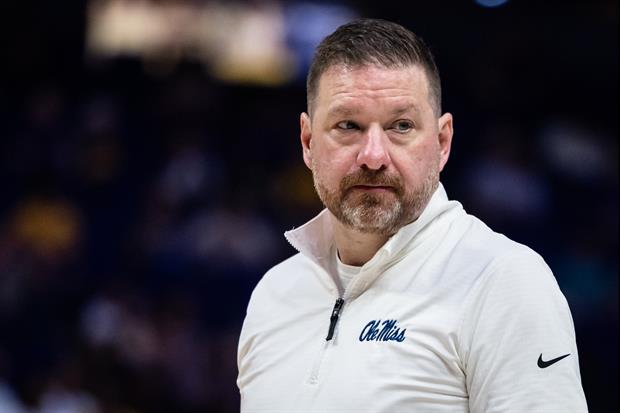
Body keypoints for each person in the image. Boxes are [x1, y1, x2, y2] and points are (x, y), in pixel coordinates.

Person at [237, 18, 588, 412]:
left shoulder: (502, 280)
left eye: (401, 126)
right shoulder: (273, 294)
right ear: (307, 141)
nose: (373, 156)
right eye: (348, 125)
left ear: (442, 143)